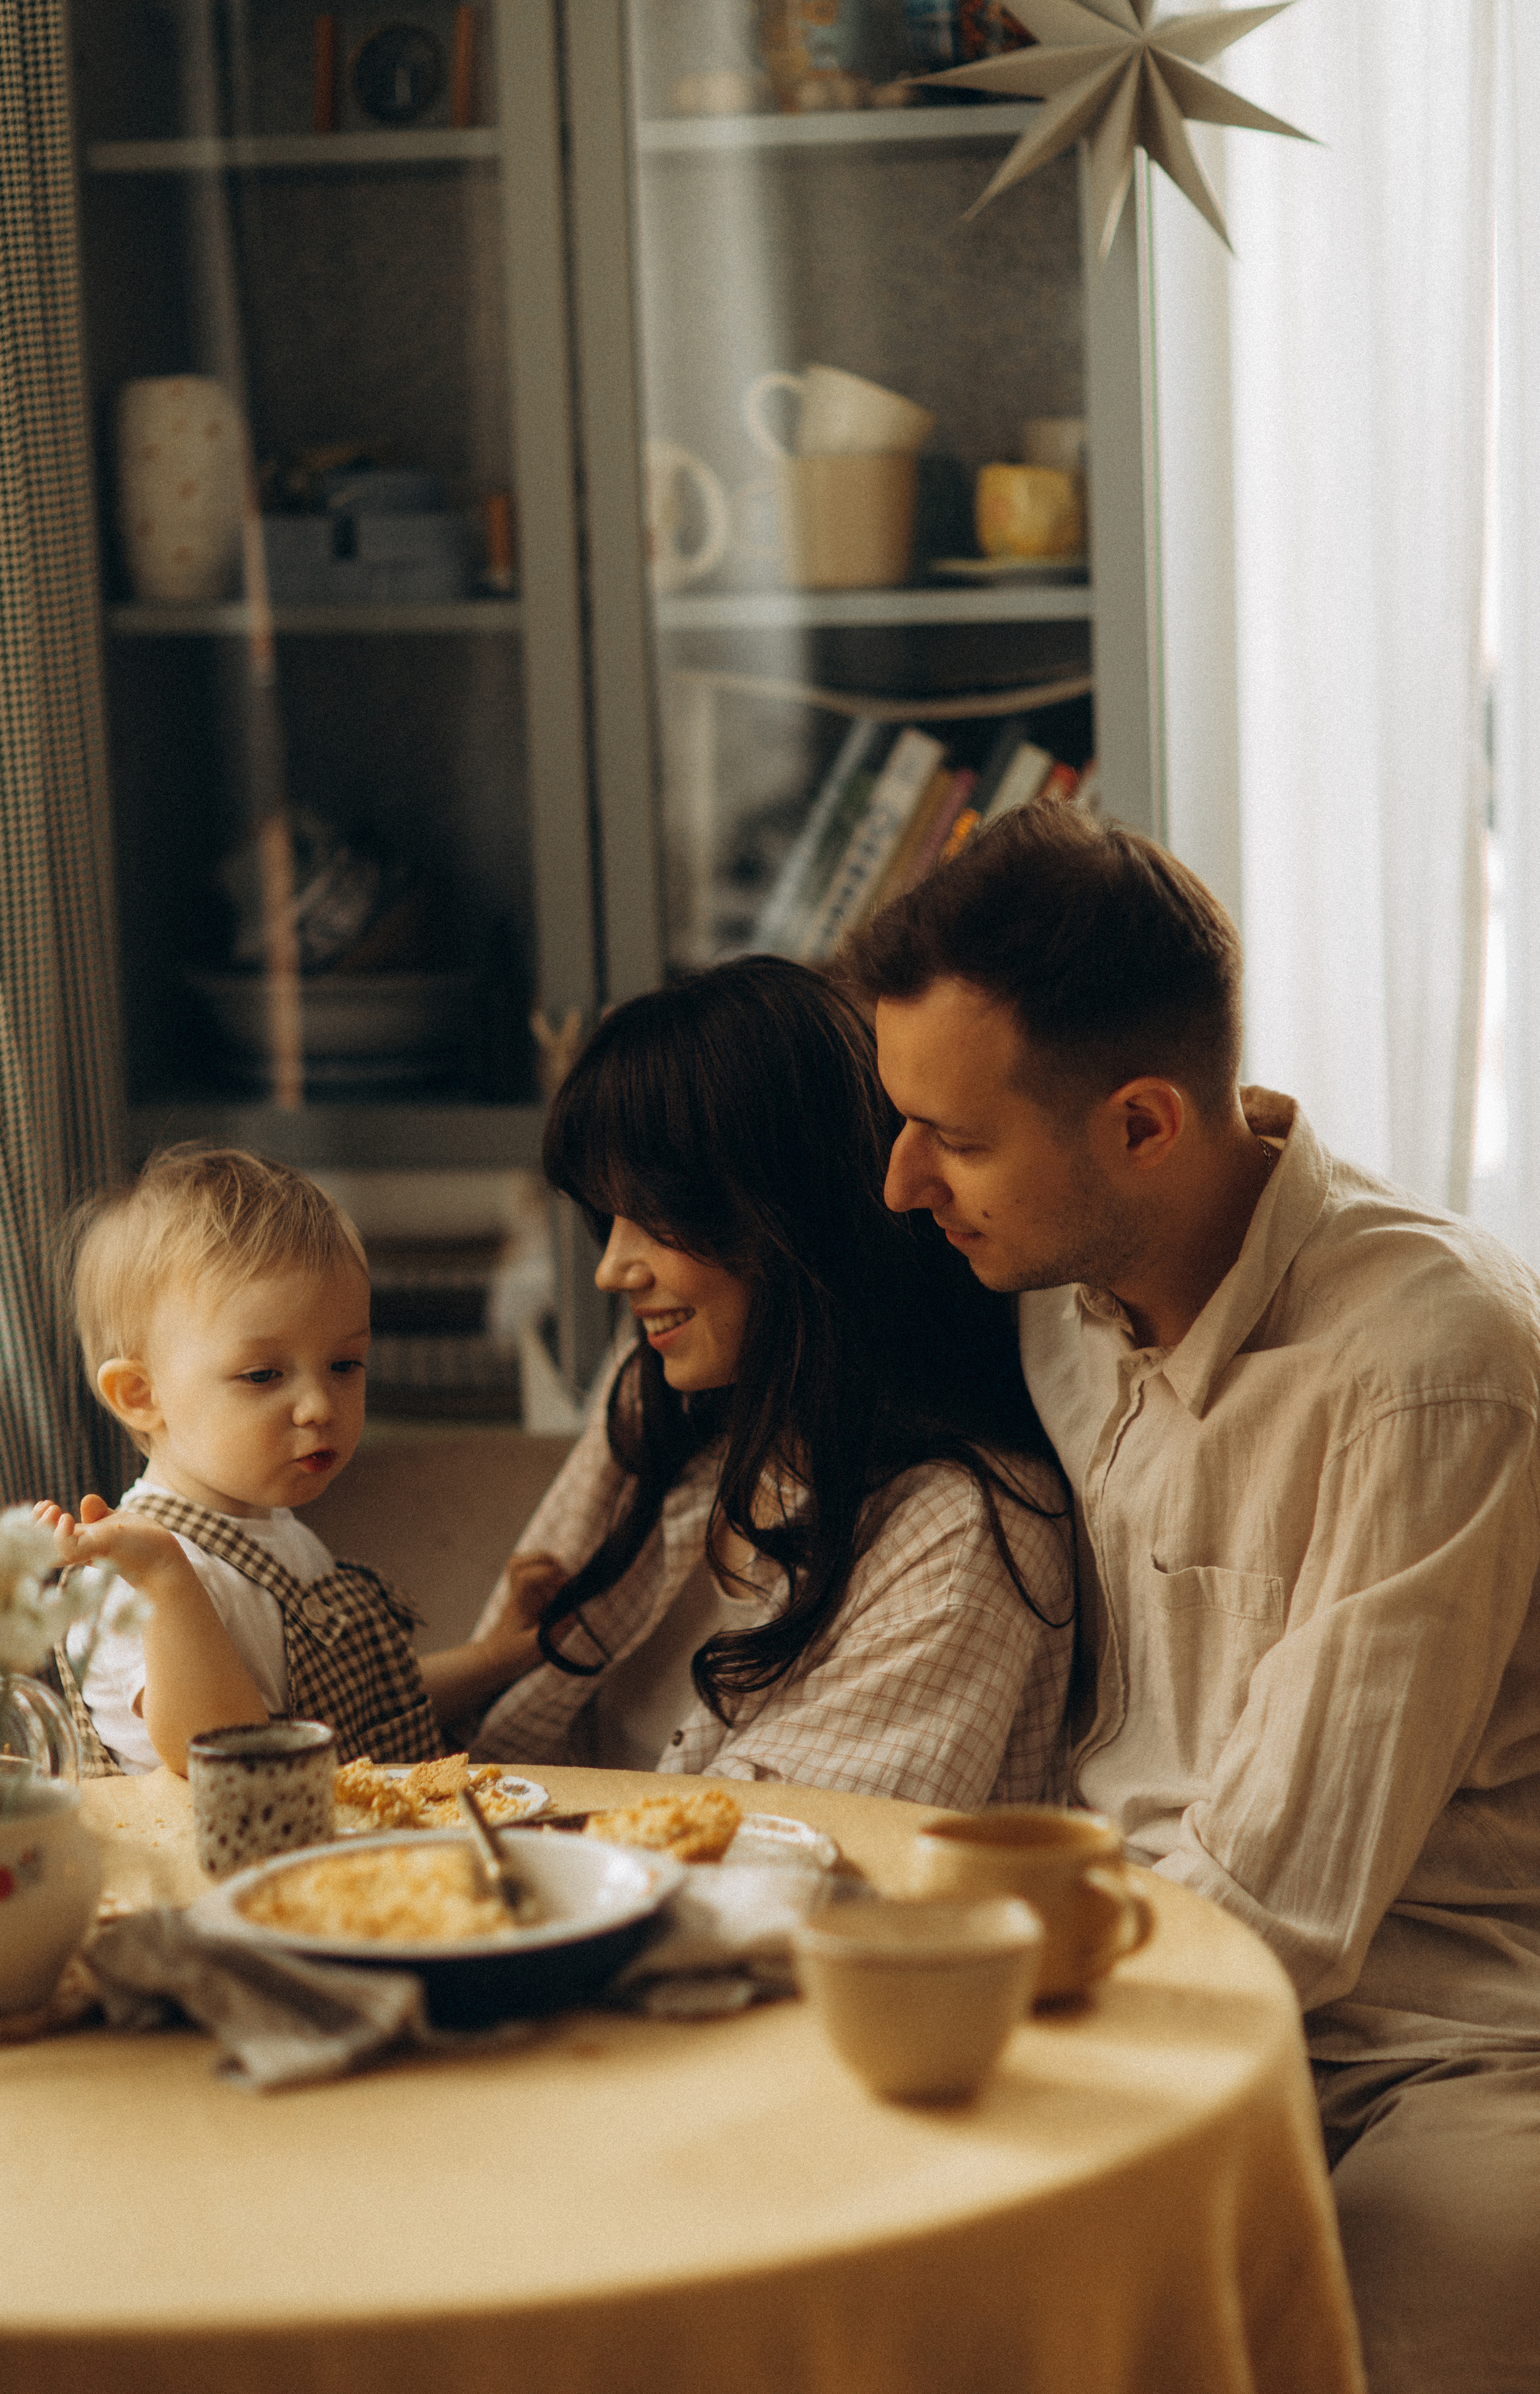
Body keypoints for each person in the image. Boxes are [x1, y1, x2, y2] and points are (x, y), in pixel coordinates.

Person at [847, 796, 1540, 2394]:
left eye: (950, 1135)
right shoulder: (1051, 1303)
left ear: (1144, 1124)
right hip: (1156, 1978)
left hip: (1441, 2052)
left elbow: (1283, 1900)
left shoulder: (1428, 1372)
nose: (899, 1182)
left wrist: (957, 2007)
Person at [465, 955, 1074, 1808]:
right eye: (610, 1222)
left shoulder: (961, 1534)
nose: (612, 1271)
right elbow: (487, 1712)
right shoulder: (667, 1408)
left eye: (653, 1218)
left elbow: (768, 1868)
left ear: (788, 1214)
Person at [41, 1147, 546, 1774]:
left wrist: (495, 1657)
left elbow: (365, 1715)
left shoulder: (285, 1538)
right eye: (262, 1374)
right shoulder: (128, 1579)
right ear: (141, 1397)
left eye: (344, 1365)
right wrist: (168, 1580)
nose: (318, 1406)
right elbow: (224, 1753)